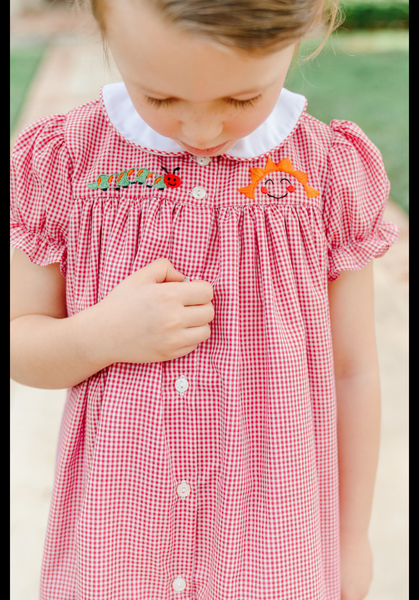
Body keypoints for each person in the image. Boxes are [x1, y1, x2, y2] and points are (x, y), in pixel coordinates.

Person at [10, 0, 399, 598]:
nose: (201, 133)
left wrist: (352, 540)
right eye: (160, 98)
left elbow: (353, 372)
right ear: (104, 25)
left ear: (308, 30)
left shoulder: (326, 175)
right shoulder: (68, 164)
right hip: (120, 539)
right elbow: (19, 341)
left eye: (241, 99)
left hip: (274, 536)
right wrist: (100, 336)